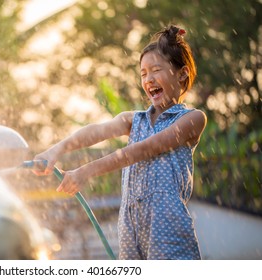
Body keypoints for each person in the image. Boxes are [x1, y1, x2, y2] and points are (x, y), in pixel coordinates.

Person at [33, 25, 207, 260]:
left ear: (182, 73)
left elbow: (145, 149)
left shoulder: (192, 119)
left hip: (167, 228)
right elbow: (96, 131)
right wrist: (57, 148)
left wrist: (85, 172)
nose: (149, 79)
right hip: (130, 228)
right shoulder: (134, 120)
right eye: (143, 73)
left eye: (156, 70)